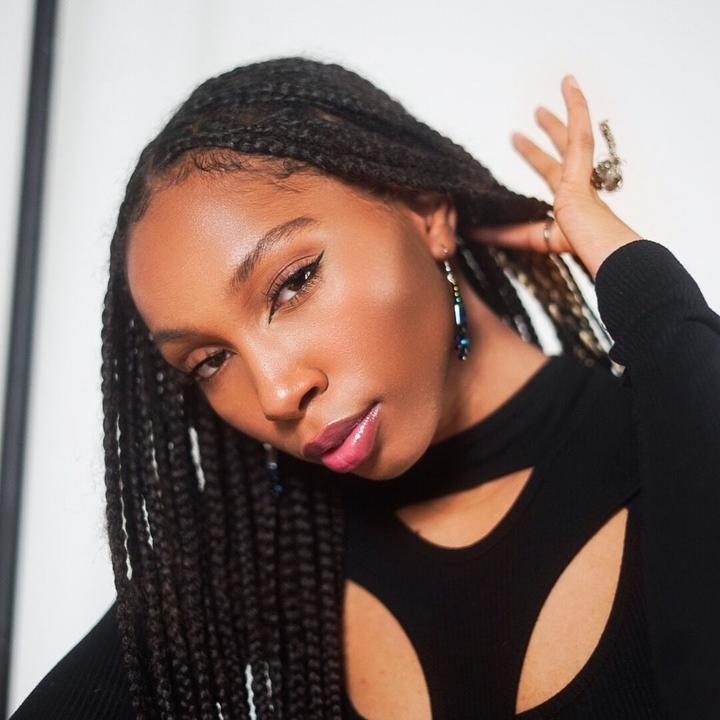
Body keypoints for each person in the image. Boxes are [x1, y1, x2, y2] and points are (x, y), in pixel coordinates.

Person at [10, 57, 720, 720]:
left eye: (292, 283)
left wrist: (640, 282)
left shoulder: (666, 438)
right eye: (210, 360)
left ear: (426, 211)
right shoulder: (262, 555)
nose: (276, 393)